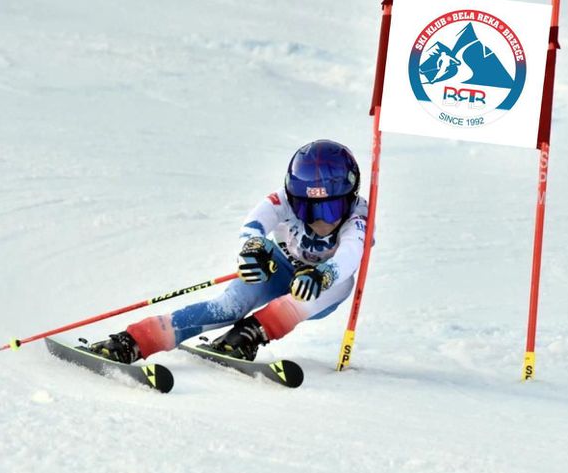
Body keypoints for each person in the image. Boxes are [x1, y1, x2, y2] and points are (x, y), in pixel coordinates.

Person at [89, 139, 367, 363]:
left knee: (337, 286)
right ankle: (135, 341)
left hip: (319, 283)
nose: (319, 220)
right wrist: (251, 249)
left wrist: (323, 275)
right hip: (277, 266)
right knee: (226, 307)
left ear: (350, 197)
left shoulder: (359, 216)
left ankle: (248, 335)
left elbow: (351, 253)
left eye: (331, 208)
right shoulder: (282, 200)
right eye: (306, 208)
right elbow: (253, 225)